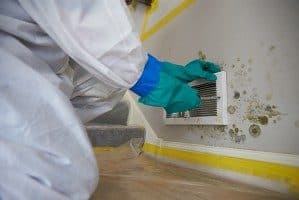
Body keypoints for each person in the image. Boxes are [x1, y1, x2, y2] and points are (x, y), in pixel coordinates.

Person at [0, 0, 220, 199]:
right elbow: (82, 11)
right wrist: (151, 81)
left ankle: (47, 124)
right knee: (62, 174)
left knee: (111, 85)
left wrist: (167, 71)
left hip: (31, 51)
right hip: (8, 64)